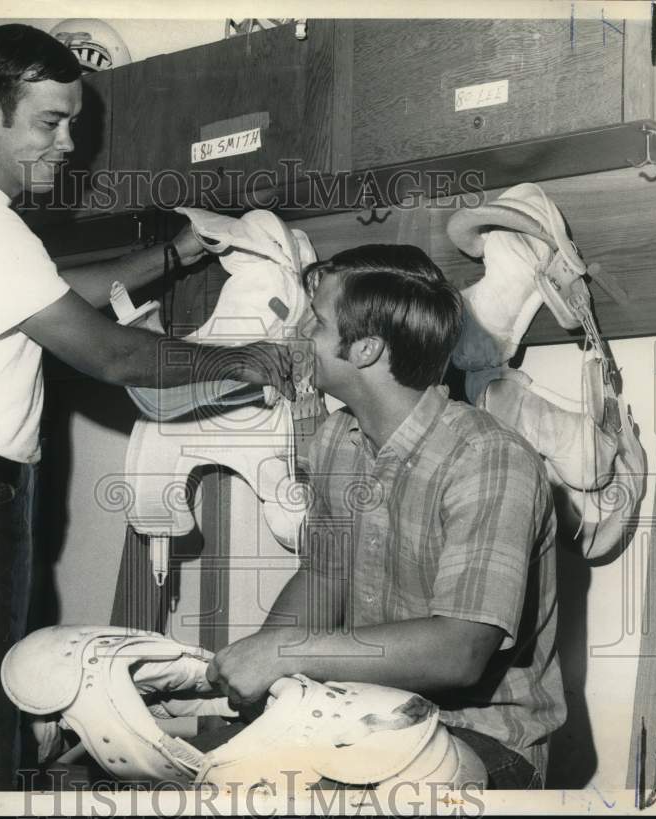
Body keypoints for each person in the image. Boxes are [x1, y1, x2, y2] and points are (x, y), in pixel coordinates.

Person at [0, 23, 292, 791]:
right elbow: (108, 351)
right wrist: (250, 360)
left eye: (73, 124)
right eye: (50, 123)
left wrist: (176, 254)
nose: (67, 144)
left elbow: (58, 295)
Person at [206, 244, 566, 789]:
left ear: (367, 349)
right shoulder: (334, 439)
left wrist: (283, 653)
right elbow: (323, 574)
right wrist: (255, 684)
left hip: (484, 738)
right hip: (364, 716)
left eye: (316, 323)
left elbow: (459, 651)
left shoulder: (489, 459)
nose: (298, 335)